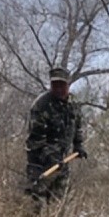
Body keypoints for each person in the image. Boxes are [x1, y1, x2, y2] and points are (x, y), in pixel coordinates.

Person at [25, 67, 87, 207]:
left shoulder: (73, 104)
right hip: (40, 165)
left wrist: (79, 145)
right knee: (35, 203)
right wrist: (50, 156)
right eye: (55, 85)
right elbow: (35, 140)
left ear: (68, 85)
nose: (58, 88)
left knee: (58, 205)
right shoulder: (41, 105)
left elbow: (77, 126)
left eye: (62, 85)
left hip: (63, 162)